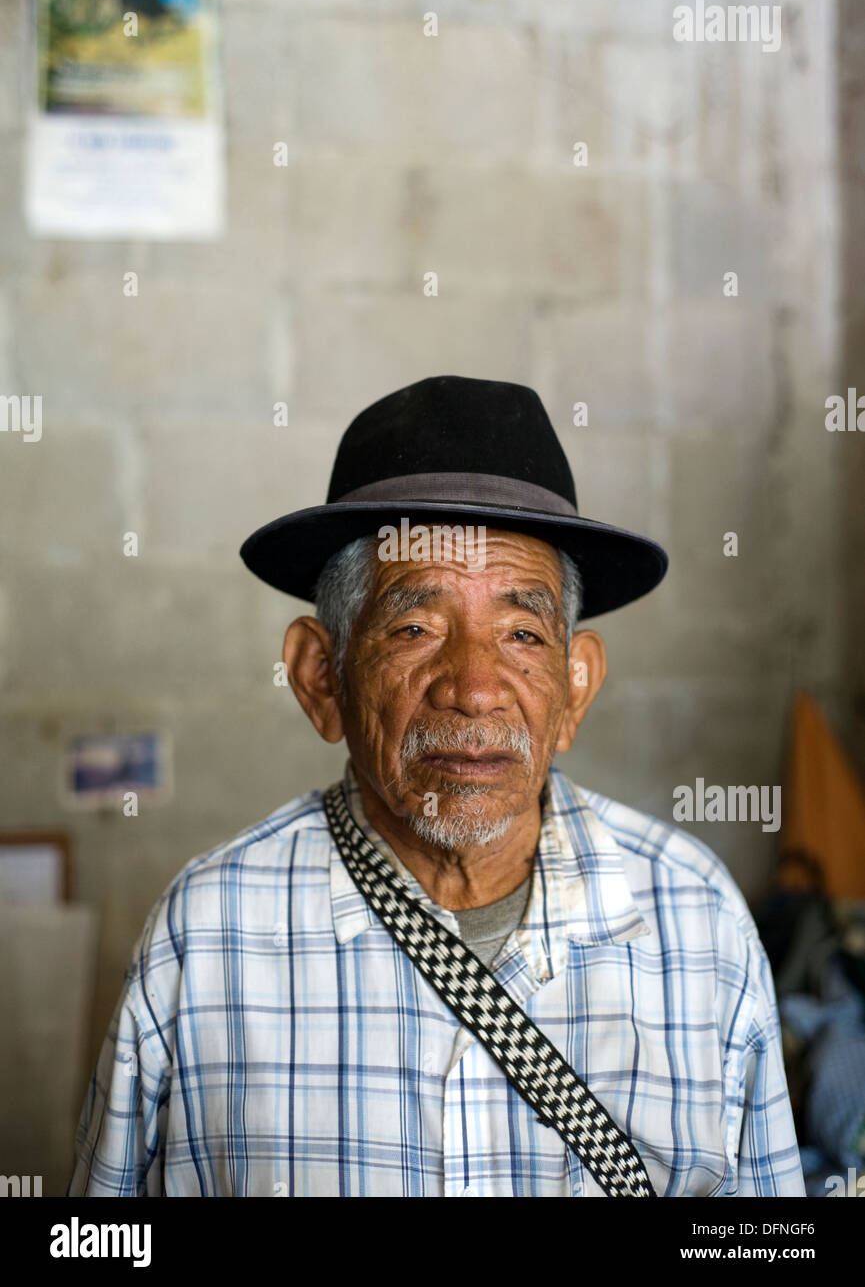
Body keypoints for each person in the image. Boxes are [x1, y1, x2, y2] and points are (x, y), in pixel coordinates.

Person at [67, 375, 805, 1197]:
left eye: (522, 633)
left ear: (575, 687)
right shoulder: (207, 934)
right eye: (414, 627)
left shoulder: (696, 920)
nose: (474, 689)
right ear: (320, 676)